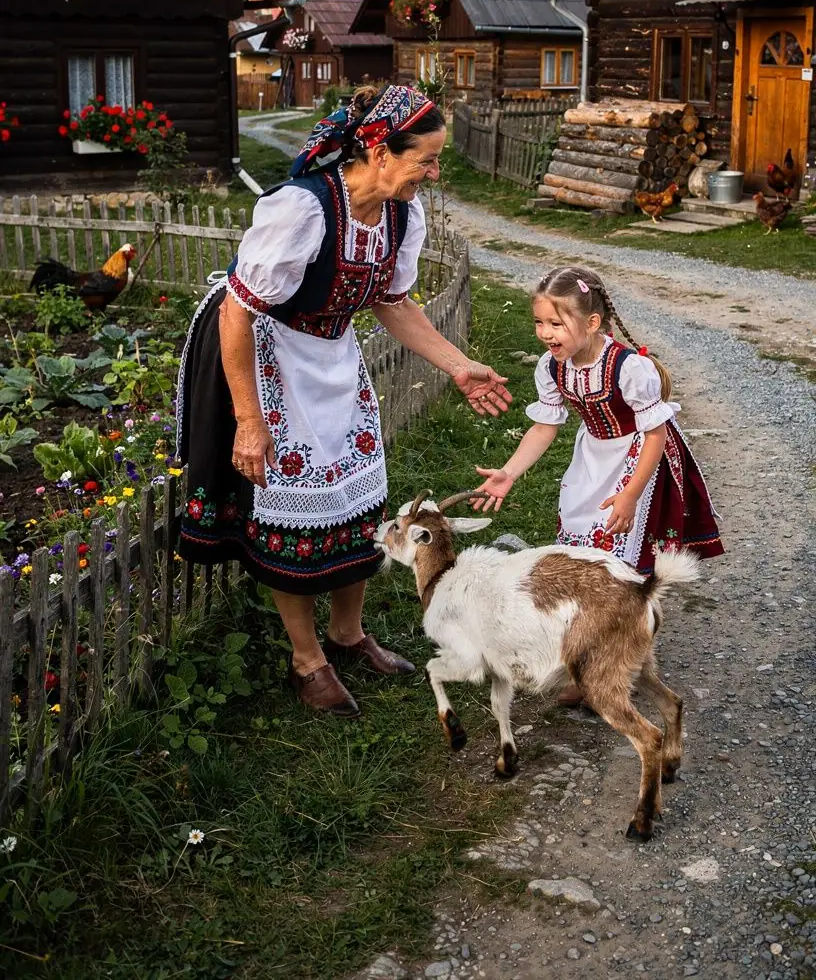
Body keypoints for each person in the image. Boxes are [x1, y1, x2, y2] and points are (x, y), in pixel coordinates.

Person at [177, 84, 511, 718]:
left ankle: (348, 633)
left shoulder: (399, 215)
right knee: (288, 516)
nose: (435, 174)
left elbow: (391, 302)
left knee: (359, 496)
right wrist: (249, 421)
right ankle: (308, 661)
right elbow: (236, 314)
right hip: (268, 354)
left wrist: (461, 367)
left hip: (332, 354)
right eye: (428, 160)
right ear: (381, 151)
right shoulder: (302, 209)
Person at [471, 263, 723, 573]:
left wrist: (631, 493)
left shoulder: (629, 368)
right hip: (593, 453)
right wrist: (509, 473)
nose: (545, 333)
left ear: (592, 322)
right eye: (539, 322)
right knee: (582, 524)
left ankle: (630, 608)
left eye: (556, 323)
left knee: (624, 541)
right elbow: (543, 428)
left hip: (641, 453)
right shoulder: (551, 367)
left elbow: (656, 435)